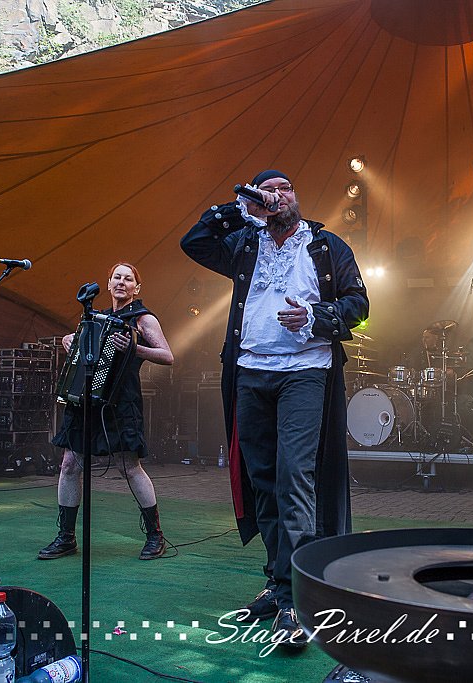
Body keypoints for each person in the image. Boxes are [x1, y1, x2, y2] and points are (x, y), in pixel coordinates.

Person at [181, 170, 368, 649]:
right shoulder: (245, 242)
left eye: (286, 188)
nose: (278, 194)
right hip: (250, 370)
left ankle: (297, 597)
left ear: (296, 197)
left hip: (305, 371)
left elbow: (358, 303)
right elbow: (194, 242)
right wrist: (239, 209)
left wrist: (315, 316)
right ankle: (277, 580)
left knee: (293, 477)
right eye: (269, 189)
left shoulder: (325, 246)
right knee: (261, 478)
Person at [38, 263, 174, 561]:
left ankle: (155, 535)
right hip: (86, 401)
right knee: (69, 464)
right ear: (109, 283)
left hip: (121, 401)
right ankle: (66, 537)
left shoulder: (143, 318)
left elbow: (167, 356)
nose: (122, 282)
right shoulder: (95, 318)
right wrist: (69, 341)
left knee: (128, 466)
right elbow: (84, 352)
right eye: (117, 277)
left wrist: (134, 347)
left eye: (128, 279)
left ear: (137, 287)